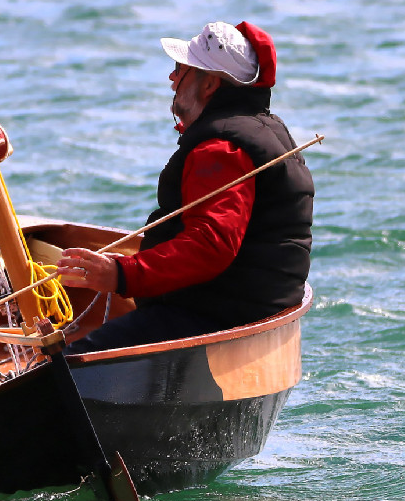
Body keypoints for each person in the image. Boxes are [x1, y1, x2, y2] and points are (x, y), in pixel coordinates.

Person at [58, 21, 313, 353]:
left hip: (215, 316)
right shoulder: (263, 130)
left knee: (65, 366)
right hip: (250, 309)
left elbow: (210, 245)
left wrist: (121, 274)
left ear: (208, 85)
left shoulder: (221, 149)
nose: (172, 78)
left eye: (181, 69)